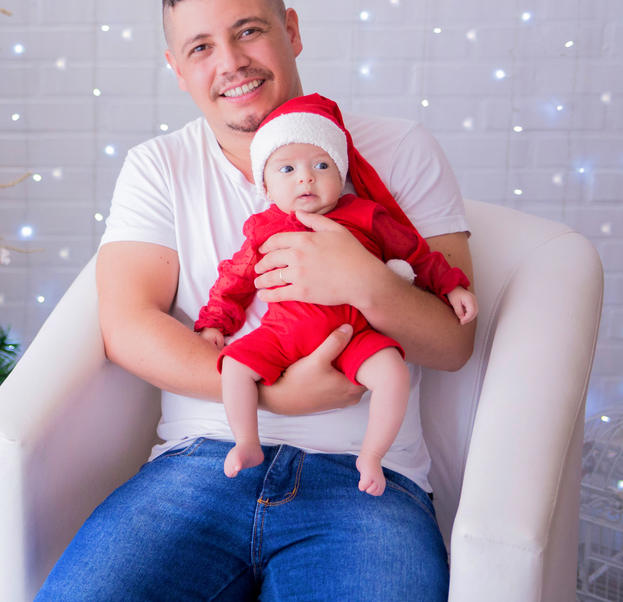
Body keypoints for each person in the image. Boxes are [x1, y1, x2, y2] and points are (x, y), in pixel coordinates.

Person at [35, 0, 476, 602]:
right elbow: (127, 326)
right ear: (177, 70)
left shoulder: (400, 149)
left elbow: (454, 343)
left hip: (366, 488)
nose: (231, 63)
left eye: (249, 32)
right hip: (198, 466)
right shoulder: (160, 167)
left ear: (291, 31)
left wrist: (365, 281)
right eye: (201, 47)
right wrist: (276, 395)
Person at [197, 94, 477, 495]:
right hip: (282, 334)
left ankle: (372, 455)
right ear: (266, 185)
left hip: (354, 333)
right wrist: (213, 324)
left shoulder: (366, 215)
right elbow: (236, 280)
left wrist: (452, 285)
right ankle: (246, 441)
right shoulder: (264, 227)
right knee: (235, 368)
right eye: (287, 169)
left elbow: (416, 253)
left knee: (392, 373)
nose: (305, 178)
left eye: (321, 165)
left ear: (340, 171)